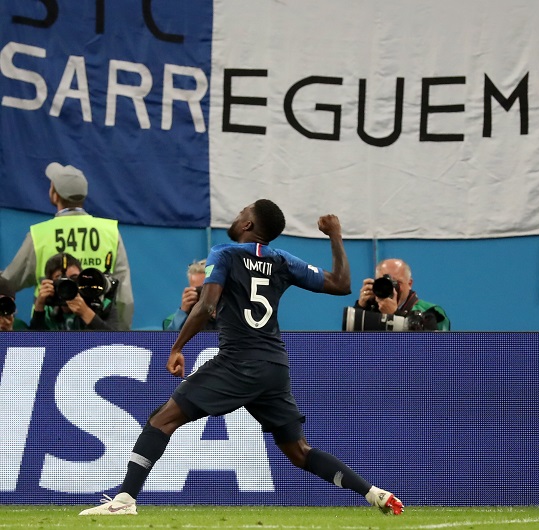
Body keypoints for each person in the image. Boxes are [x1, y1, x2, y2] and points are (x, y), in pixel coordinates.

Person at [79, 199, 404, 516]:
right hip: (274, 366)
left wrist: (177, 347)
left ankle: (123, 501)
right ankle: (374, 493)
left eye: (241, 213)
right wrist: (334, 235)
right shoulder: (282, 261)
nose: (237, 216)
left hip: (238, 361)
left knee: (161, 420)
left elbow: (206, 306)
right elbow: (341, 283)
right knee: (299, 452)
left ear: (248, 224)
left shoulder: (225, 253)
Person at [0, 162, 133, 330]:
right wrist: (122, 336)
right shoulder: (109, 232)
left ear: (55, 194)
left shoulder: (40, 234)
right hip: (97, 327)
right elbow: (124, 298)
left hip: (48, 329)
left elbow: (8, 282)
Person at [30, 252, 118, 331]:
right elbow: (34, 344)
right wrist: (39, 307)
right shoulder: (48, 311)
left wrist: (86, 313)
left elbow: (114, 344)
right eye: (61, 280)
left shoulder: (101, 305)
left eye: (74, 278)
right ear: (51, 284)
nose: (69, 285)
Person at [354, 258, 450, 330]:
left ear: (409, 283)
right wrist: (360, 307)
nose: (390, 288)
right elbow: (349, 346)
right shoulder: (370, 309)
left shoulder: (432, 312)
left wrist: (395, 315)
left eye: (396, 283)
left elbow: (435, 350)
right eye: (384, 282)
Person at [162, 259, 216, 331]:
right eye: (198, 290)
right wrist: (183, 311)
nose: (203, 295)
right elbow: (169, 340)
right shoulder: (185, 318)